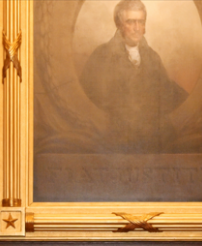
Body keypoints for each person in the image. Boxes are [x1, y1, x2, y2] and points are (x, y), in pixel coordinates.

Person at [79, 0, 189, 153]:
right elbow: (90, 102)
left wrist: (191, 102)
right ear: (119, 24)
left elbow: (167, 91)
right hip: (113, 141)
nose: (137, 28)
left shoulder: (152, 57)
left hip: (151, 142)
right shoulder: (101, 56)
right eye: (131, 22)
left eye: (141, 22)